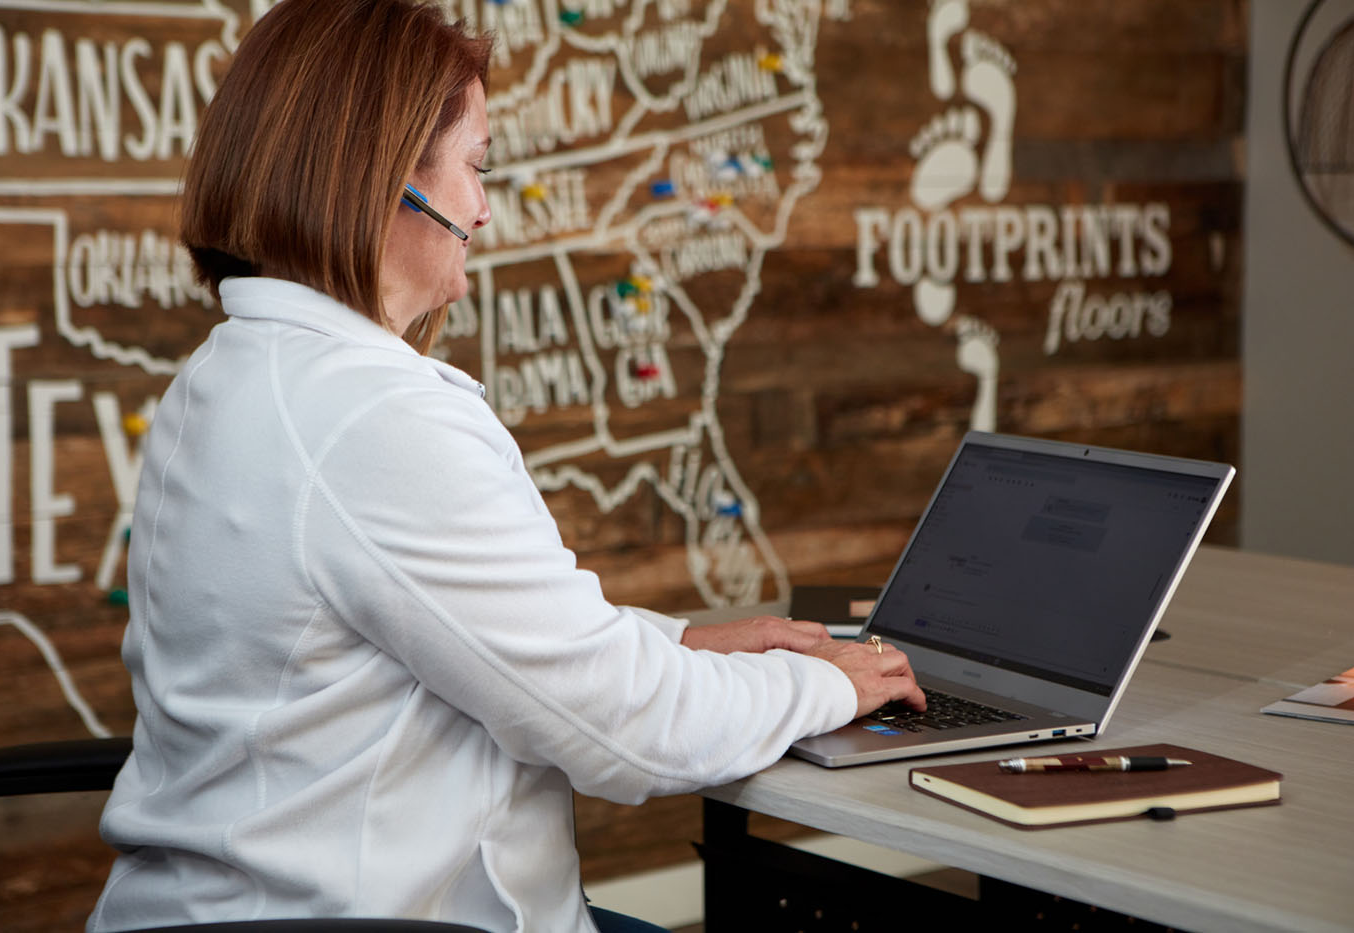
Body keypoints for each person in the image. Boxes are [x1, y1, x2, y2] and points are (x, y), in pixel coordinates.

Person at [87, 1, 925, 931]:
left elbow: (446, 632)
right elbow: (624, 735)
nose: (483, 209)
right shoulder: (376, 415)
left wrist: (678, 645)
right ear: (381, 179)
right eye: (475, 170)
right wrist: (831, 685)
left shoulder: (225, 373)